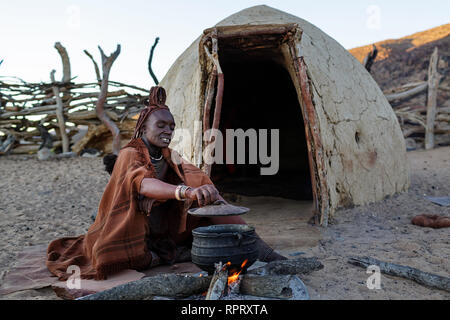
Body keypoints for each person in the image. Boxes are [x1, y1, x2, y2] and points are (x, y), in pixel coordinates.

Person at [46, 86, 286, 281]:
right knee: (117, 256)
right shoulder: (132, 153)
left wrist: (205, 190)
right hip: (136, 227)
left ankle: (259, 248)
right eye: (160, 125)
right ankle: (159, 256)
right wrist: (186, 191)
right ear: (143, 127)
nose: (168, 131)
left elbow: (195, 175)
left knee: (210, 195)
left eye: (171, 126)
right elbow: (143, 184)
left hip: (164, 226)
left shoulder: (170, 155)